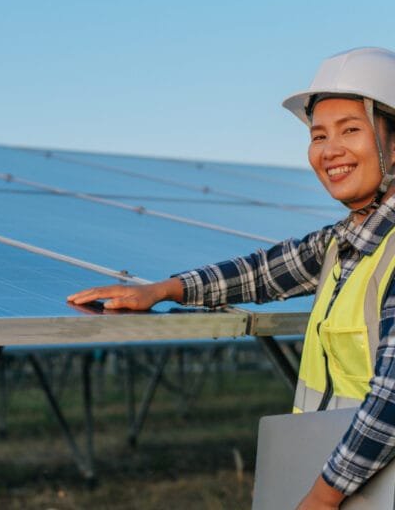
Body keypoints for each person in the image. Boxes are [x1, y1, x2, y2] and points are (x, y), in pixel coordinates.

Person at [68, 47, 395, 509]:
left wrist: (322, 497)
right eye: (318, 135)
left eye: (351, 130)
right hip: (346, 480)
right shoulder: (343, 242)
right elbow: (260, 273)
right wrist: (163, 289)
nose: (330, 150)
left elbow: (391, 401)